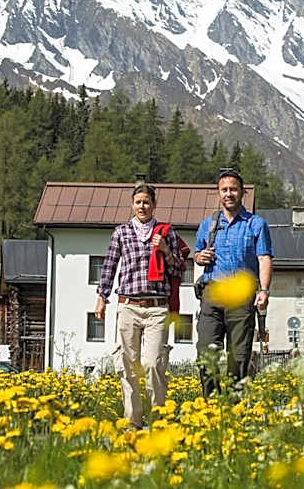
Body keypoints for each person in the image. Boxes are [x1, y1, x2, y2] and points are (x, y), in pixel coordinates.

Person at [95, 183, 183, 428]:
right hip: (128, 306)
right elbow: (109, 267)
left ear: (154, 205)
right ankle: (132, 422)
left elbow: (178, 269)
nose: (142, 206)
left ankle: (158, 422)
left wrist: (165, 250)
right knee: (128, 365)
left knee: (153, 363)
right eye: (138, 202)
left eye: (146, 202)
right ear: (132, 205)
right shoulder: (121, 232)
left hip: (157, 307)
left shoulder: (166, 232)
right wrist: (102, 297)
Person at [194, 168, 274, 396]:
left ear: (242, 193)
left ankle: (233, 407)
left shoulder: (256, 224)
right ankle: (211, 404)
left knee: (238, 356)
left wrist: (264, 290)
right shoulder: (207, 224)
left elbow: (264, 257)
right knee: (206, 353)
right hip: (212, 292)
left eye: (233, 189)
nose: (229, 194)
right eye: (224, 190)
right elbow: (197, 255)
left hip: (241, 295)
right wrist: (200, 257)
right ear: (219, 193)